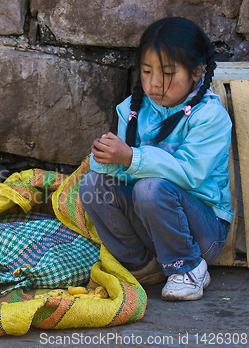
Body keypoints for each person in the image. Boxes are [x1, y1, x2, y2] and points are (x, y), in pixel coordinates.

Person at [79, 17, 233, 301]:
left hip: (203, 234)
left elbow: (190, 174)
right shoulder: (134, 110)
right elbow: (127, 174)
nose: (154, 83)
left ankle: (187, 267)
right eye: (147, 71)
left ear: (197, 71)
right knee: (91, 185)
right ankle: (143, 266)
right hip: (153, 229)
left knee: (150, 188)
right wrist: (106, 158)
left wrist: (131, 156)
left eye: (168, 73)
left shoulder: (209, 116)